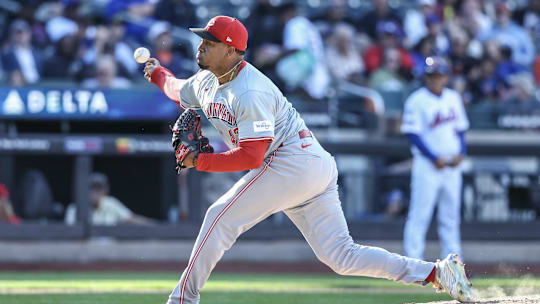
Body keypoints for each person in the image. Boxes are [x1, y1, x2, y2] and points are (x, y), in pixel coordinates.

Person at [144, 16, 473, 304]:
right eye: (202, 39)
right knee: (342, 256)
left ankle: (182, 300)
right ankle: (436, 273)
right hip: (308, 165)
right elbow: (176, 89)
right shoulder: (204, 81)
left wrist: (200, 162)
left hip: (291, 160)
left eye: (210, 41)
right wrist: (157, 72)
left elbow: (251, 156)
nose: (201, 46)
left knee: (220, 217)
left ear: (231, 51)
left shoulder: (250, 90)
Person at [401, 57, 469, 261]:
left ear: (445, 77)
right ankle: (414, 263)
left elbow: (461, 130)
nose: (435, 79)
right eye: (431, 75)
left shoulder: (453, 98)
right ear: (426, 77)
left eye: (438, 75)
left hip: (452, 166)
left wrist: (461, 152)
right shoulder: (416, 100)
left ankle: (455, 265)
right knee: (419, 215)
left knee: (450, 217)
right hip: (427, 165)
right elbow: (412, 134)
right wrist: (433, 157)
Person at [64, 173, 151, 225]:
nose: (95, 192)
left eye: (98, 189)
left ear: (105, 191)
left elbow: (132, 219)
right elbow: (69, 234)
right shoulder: (75, 208)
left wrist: (160, 227)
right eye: (92, 188)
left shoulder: (111, 203)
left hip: (110, 250)